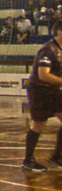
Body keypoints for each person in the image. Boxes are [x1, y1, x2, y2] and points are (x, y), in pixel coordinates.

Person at [22, 19, 62, 172]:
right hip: (39, 91)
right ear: (60, 32)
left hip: (53, 91)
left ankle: (57, 157)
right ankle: (28, 160)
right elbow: (43, 75)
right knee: (39, 125)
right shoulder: (48, 50)